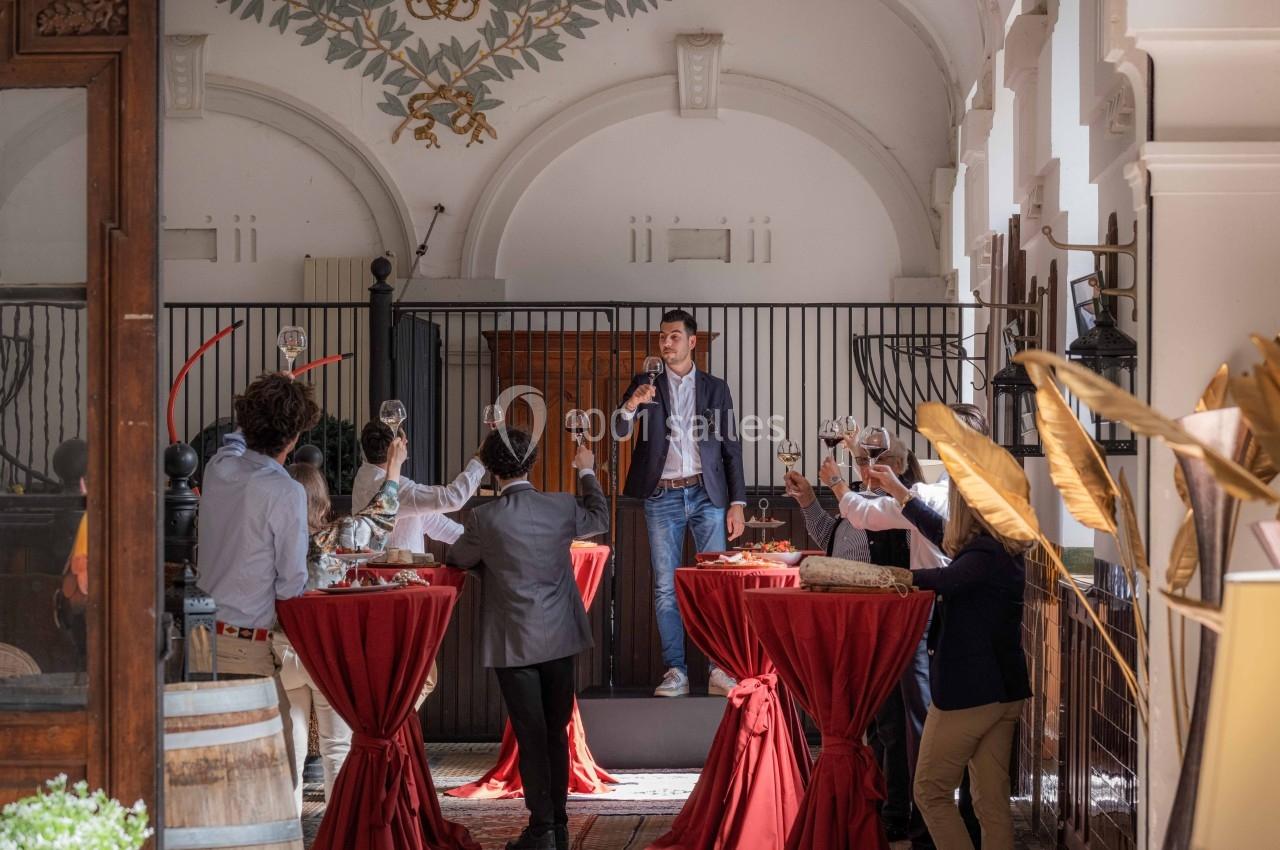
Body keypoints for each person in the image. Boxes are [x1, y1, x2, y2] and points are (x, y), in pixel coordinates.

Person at [448, 428, 609, 850]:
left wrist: (489, 572)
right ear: (531, 463)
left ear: (490, 468)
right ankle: (556, 825)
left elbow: (457, 560)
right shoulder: (559, 504)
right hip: (560, 634)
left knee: (531, 734)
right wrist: (587, 472)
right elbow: (600, 519)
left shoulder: (484, 518)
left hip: (512, 641)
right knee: (555, 733)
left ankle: (542, 831)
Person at [875, 436, 1033, 850]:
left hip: (970, 694)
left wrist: (898, 578)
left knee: (929, 790)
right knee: (990, 801)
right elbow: (943, 537)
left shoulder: (983, 554)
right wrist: (901, 494)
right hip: (1004, 694)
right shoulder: (1003, 544)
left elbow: (946, 577)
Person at [196, 372, 320, 791]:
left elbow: (234, 441)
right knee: (271, 776)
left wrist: (263, 404)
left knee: (207, 770)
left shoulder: (218, 468)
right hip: (244, 645)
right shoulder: (285, 491)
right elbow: (291, 584)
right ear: (294, 436)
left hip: (200, 640)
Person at [614, 308, 747, 698]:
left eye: (674, 336)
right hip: (662, 495)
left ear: (692, 342)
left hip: (708, 495)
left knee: (715, 586)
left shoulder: (715, 388)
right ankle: (676, 671)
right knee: (666, 588)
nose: (666, 342)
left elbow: (730, 447)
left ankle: (718, 668)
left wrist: (737, 502)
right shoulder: (645, 382)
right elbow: (621, 431)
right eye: (662, 337)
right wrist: (632, 405)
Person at [270, 436, 406, 813]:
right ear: (321, 499)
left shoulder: (270, 539)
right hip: (324, 656)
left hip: (280, 652)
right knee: (337, 749)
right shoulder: (334, 538)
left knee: (289, 753)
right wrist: (393, 470)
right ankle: (339, 833)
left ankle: (287, 839)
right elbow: (379, 519)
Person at [351, 421, 485, 549]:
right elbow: (454, 498)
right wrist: (480, 458)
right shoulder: (397, 488)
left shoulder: (363, 476)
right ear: (398, 447)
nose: (406, 442)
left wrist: (480, 543)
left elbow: (433, 522)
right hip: (395, 572)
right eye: (404, 440)